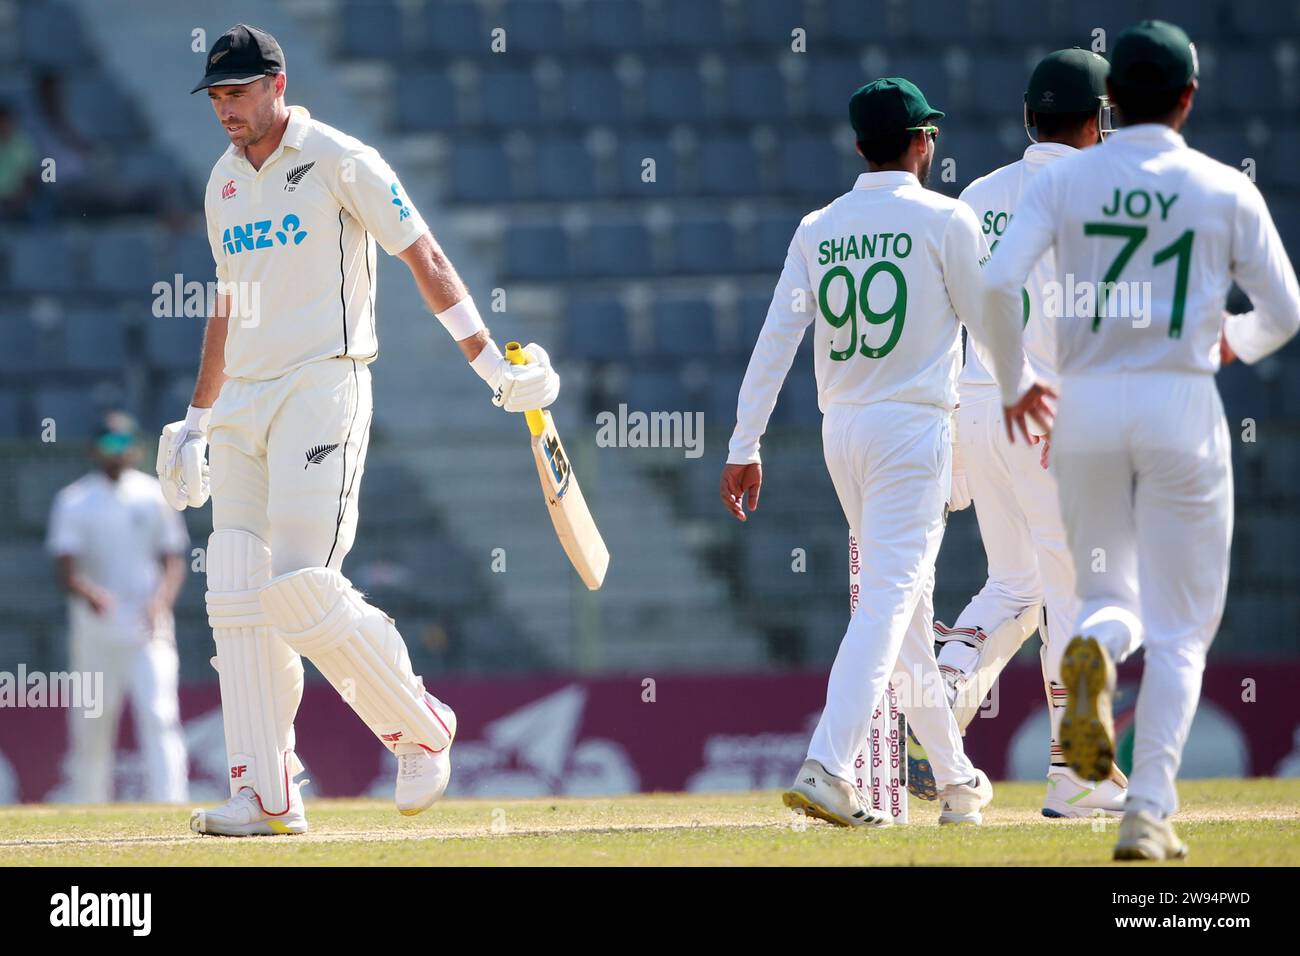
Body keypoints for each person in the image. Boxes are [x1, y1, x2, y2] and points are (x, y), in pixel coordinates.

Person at [162, 24, 560, 836]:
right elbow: (227, 307)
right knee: (234, 589)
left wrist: (492, 370)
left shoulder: (342, 159)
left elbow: (426, 258)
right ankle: (266, 793)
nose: (225, 110)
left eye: (237, 93)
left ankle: (421, 728)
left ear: (278, 83)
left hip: (323, 386)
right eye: (216, 97)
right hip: (243, 403)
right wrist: (196, 418)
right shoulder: (223, 182)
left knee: (300, 586)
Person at [983, 20, 1300, 859]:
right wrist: (1234, 339)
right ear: (1189, 97)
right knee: (1184, 626)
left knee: (1105, 598)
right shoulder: (1225, 188)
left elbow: (994, 285)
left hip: (1083, 408)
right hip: (1179, 404)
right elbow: (1288, 312)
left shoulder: (1063, 186)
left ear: (1112, 99)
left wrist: (1017, 383)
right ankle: (1148, 810)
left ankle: (1089, 653)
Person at [721, 78, 1037, 826]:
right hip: (913, 428)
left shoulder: (818, 227)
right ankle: (828, 765)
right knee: (891, 602)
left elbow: (776, 341)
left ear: (859, 145)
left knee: (905, 615)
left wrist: (744, 442)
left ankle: (957, 783)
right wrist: (1024, 395)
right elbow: (991, 325)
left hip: (845, 433)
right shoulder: (945, 218)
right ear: (922, 141)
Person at [934, 49, 1129, 818]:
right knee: (1080, 594)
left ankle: (936, 704)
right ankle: (1078, 771)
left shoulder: (977, 196)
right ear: (1097, 120)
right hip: (1054, 415)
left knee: (1016, 585)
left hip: (978, 410)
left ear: (1027, 117)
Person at [47, 411, 190, 803]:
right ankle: (89, 806)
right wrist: (91, 593)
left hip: (149, 628)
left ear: (137, 449)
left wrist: (160, 601)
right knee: (93, 724)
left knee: (160, 715)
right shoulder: (74, 500)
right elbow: (65, 567)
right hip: (96, 632)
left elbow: (173, 558)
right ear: (95, 449)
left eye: (124, 443)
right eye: (109, 444)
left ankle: (171, 804)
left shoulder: (155, 495)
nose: (117, 451)